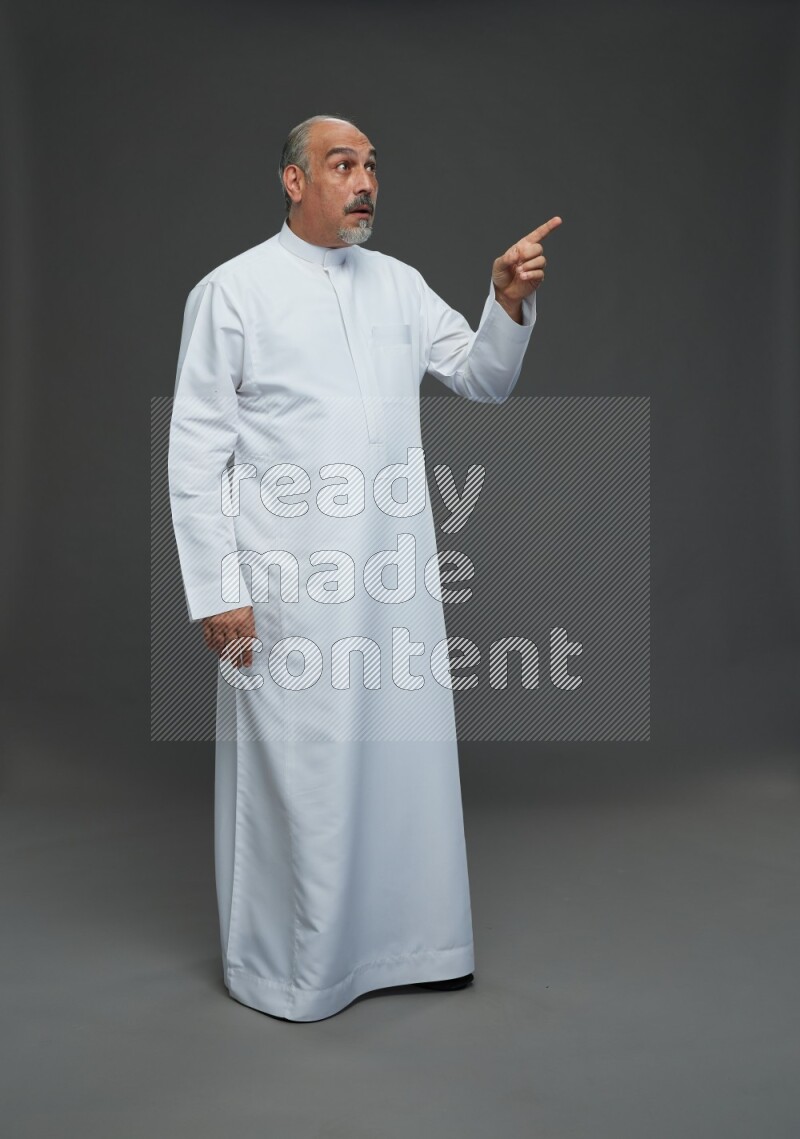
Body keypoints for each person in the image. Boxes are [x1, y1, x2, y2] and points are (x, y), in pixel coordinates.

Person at [168, 114, 561, 1022]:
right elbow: (194, 454)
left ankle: (418, 947)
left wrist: (504, 301)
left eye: (372, 166)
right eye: (342, 164)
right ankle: (294, 972)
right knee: (304, 773)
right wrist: (219, 589)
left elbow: (482, 379)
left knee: (401, 763)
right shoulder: (232, 292)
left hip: (394, 580)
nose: (364, 182)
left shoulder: (398, 285)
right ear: (293, 181)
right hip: (287, 586)